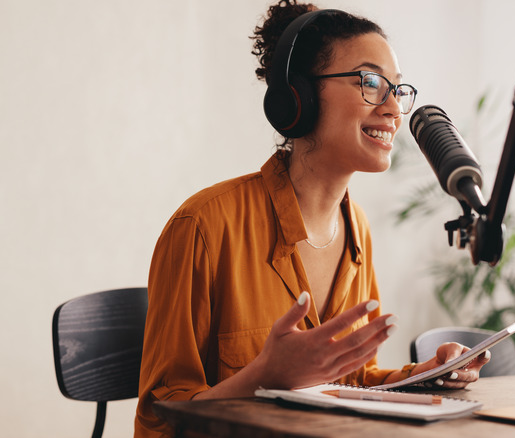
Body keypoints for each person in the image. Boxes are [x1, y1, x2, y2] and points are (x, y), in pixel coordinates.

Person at [134, 1, 490, 436]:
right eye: (371, 82)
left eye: (397, 89)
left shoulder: (356, 228)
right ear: (297, 98)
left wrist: (422, 377)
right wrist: (264, 375)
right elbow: (159, 420)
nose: (394, 109)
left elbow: (349, 383)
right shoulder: (204, 227)